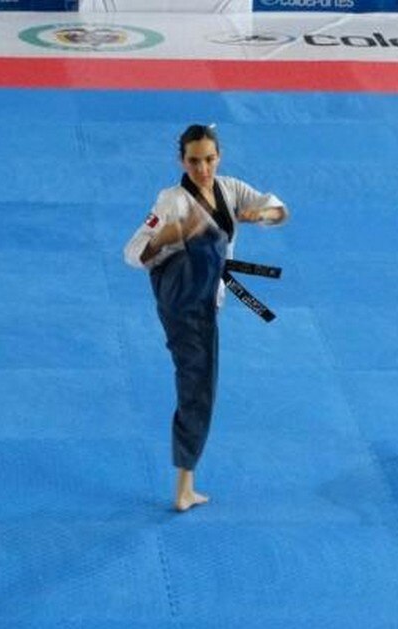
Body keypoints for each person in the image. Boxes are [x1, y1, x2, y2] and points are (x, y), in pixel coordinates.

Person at [124, 124, 288, 511]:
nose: (203, 168)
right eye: (194, 161)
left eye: (209, 159)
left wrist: (258, 212)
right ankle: (183, 487)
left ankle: (186, 481)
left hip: (207, 298)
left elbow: (280, 211)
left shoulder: (228, 189)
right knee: (197, 388)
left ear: (219, 157)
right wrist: (169, 236)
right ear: (181, 161)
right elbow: (132, 252)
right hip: (181, 300)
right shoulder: (171, 201)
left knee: (198, 386)